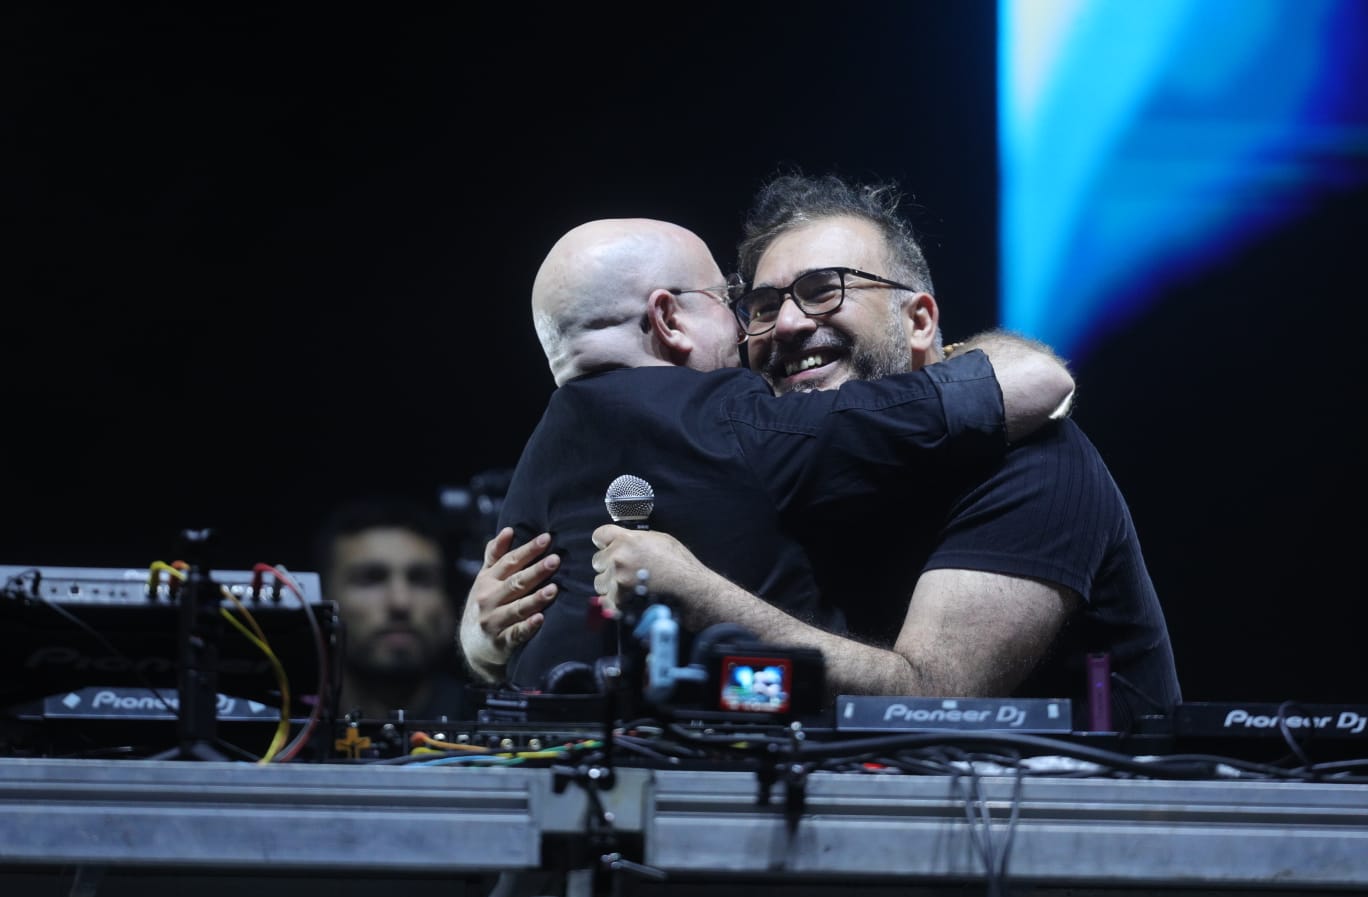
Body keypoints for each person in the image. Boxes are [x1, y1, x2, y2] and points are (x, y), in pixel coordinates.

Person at [586, 171, 1181, 729]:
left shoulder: (1033, 460)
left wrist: (698, 595)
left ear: (919, 322)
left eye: (824, 290)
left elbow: (931, 702)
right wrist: (489, 648)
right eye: (764, 308)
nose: (788, 324)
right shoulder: (770, 464)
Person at [459, 216, 1073, 697]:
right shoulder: (743, 422)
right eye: (740, 302)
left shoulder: (538, 461)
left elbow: (515, 650)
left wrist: (479, 647)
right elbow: (1041, 382)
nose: (776, 327)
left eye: (821, 292)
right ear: (668, 318)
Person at [313, 494, 471, 720]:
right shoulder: (284, 734)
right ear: (324, 601)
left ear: (447, 605)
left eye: (421, 579)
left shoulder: (485, 722)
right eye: (370, 579)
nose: (400, 602)